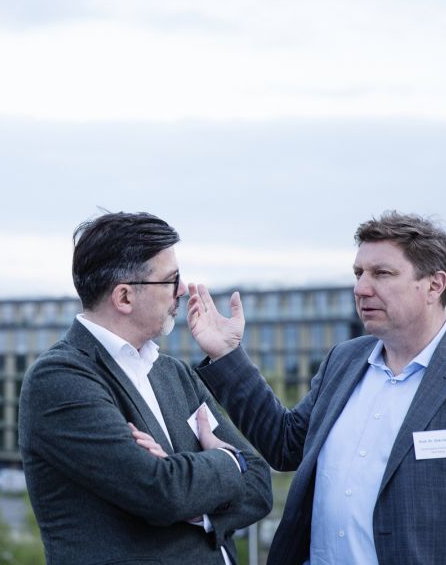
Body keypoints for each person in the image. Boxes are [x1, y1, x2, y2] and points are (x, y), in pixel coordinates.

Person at [189, 211, 446, 565]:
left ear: (434, 285)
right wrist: (226, 353)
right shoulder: (344, 360)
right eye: (359, 273)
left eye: (382, 273)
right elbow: (286, 444)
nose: (361, 288)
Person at [18, 211, 273, 565]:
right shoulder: (60, 379)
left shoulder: (174, 374)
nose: (182, 290)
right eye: (171, 280)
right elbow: (160, 491)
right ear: (124, 297)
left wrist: (191, 496)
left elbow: (260, 485)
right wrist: (230, 460)